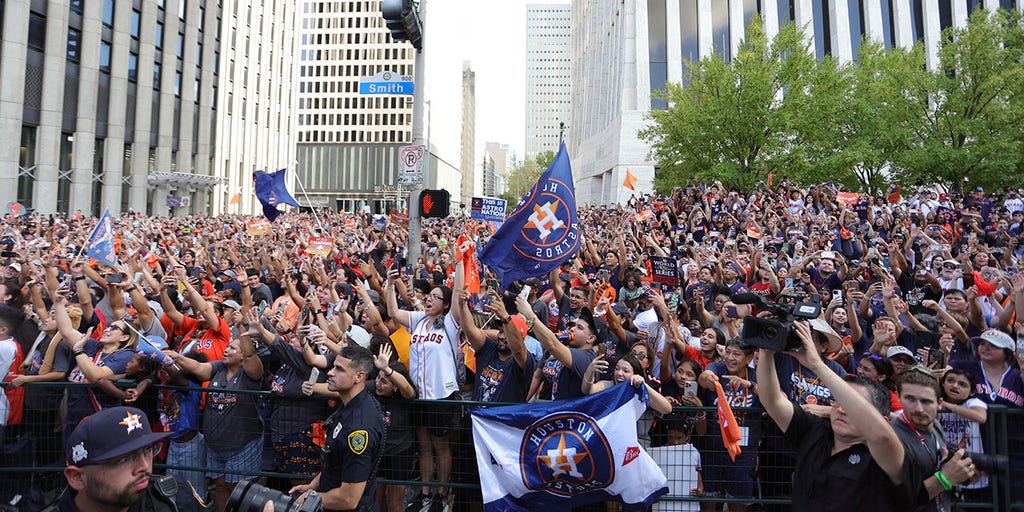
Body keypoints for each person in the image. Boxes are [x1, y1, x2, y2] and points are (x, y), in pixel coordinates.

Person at [757, 320, 917, 511]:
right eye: (838, 402)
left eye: (851, 405)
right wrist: (766, 349)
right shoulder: (815, 431)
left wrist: (817, 365)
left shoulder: (885, 455)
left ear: (881, 419)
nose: (841, 409)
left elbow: (882, 436)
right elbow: (773, 402)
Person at [290, 345, 384, 512]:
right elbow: (334, 462)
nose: (330, 372)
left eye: (339, 369)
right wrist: (312, 487)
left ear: (359, 376)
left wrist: (311, 499)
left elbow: (348, 499)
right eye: (333, 366)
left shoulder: (359, 430)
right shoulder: (348, 405)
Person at [53, 406, 176, 511]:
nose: (144, 467)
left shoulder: (174, 498)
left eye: (147, 450)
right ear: (77, 477)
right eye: (124, 459)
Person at [891, 365, 978, 512]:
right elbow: (901, 499)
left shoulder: (934, 424)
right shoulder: (894, 439)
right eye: (910, 399)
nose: (918, 408)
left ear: (939, 403)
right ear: (898, 397)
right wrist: (944, 478)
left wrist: (966, 474)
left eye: (926, 402)